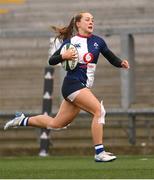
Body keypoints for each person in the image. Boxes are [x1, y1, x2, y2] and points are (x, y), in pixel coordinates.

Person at [4, 12, 129, 162]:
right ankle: (99, 152)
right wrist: (64, 56)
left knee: (56, 124)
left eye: (93, 20)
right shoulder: (70, 42)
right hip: (72, 85)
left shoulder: (98, 42)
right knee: (99, 110)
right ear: (78, 23)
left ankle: (22, 120)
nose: (91, 22)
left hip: (82, 87)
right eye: (87, 20)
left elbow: (110, 56)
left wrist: (121, 63)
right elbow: (52, 60)